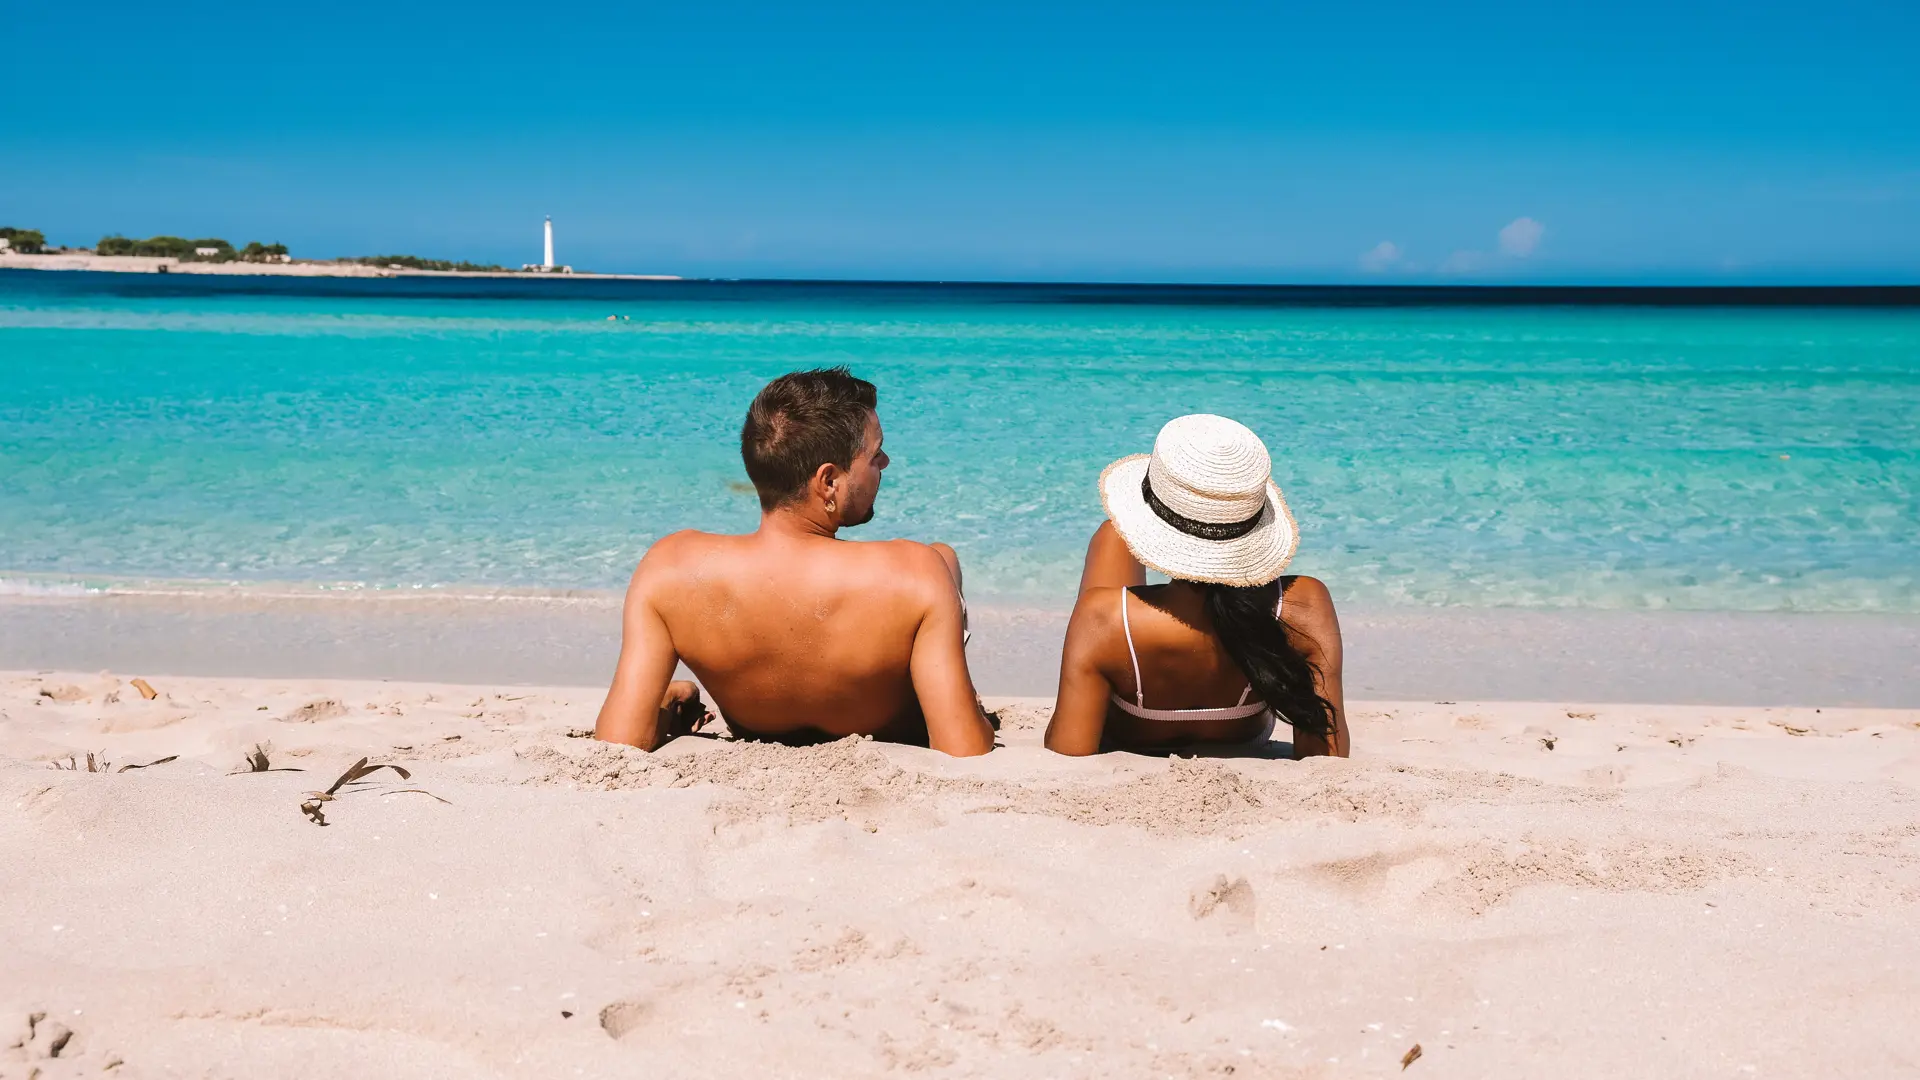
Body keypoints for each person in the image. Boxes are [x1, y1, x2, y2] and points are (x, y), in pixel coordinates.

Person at [595, 367, 995, 756]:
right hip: (885, 725)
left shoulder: (669, 568)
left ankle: (672, 697)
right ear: (828, 482)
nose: (885, 462)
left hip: (757, 725)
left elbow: (618, 741)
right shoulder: (916, 571)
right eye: (874, 454)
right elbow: (963, 748)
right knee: (945, 559)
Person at [1044, 414, 1349, 758]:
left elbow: (1066, 750)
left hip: (1133, 726)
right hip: (1242, 734)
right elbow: (1326, 757)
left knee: (1111, 536)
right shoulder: (1302, 604)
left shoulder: (1103, 618)